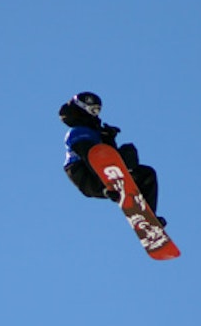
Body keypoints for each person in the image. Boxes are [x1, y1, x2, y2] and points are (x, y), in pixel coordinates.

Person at [59, 91, 165, 225]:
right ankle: (118, 180)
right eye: (92, 110)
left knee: (146, 174)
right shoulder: (78, 132)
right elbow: (90, 157)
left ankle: (148, 217)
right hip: (84, 175)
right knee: (116, 152)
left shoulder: (95, 133)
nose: (95, 114)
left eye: (97, 110)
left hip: (100, 175)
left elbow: (111, 158)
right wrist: (107, 185)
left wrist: (108, 138)